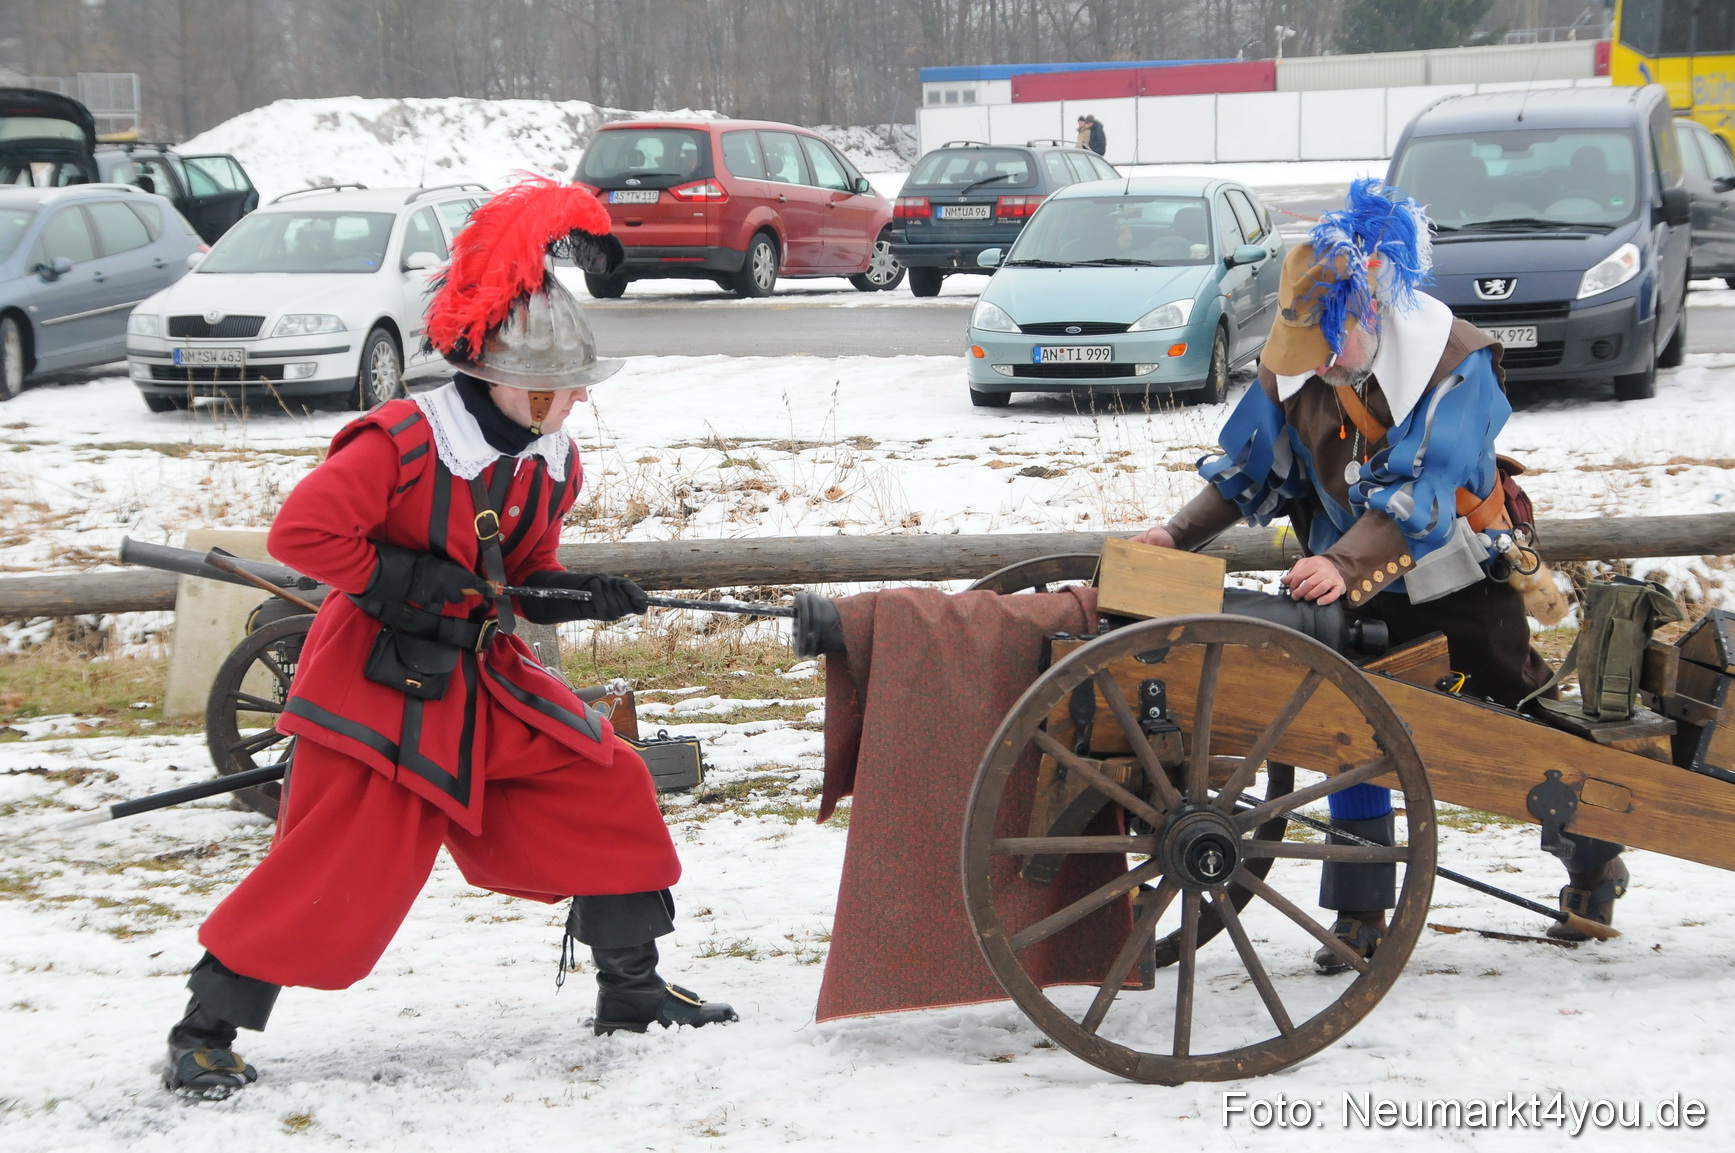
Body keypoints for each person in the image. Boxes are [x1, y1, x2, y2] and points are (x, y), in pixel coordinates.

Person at [162, 177, 736, 1100]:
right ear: (496, 376)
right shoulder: (399, 441)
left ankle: (629, 991)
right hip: (375, 678)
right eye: (552, 386)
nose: (567, 403)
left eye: (573, 388)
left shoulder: (554, 460)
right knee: (334, 861)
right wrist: (408, 578)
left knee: (607, 778)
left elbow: (524, 577)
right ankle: (204, 1029)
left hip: (481, 677)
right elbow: (301, 538)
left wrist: (579, 594)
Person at [1132, 178, 1627, 972]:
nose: (1321, 369)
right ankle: (1360, 915)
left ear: (1365, 314)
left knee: (1520, 734)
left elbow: (1421, 490)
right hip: (1340, 581)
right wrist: (1176, 533)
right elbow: (1246, 471)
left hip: (1456, 580)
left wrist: (1340, 561)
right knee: (1341, 735)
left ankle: (1594, 860)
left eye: (1332, 350)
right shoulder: (1299, 363)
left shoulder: (1452, 361)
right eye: (1308, 355)